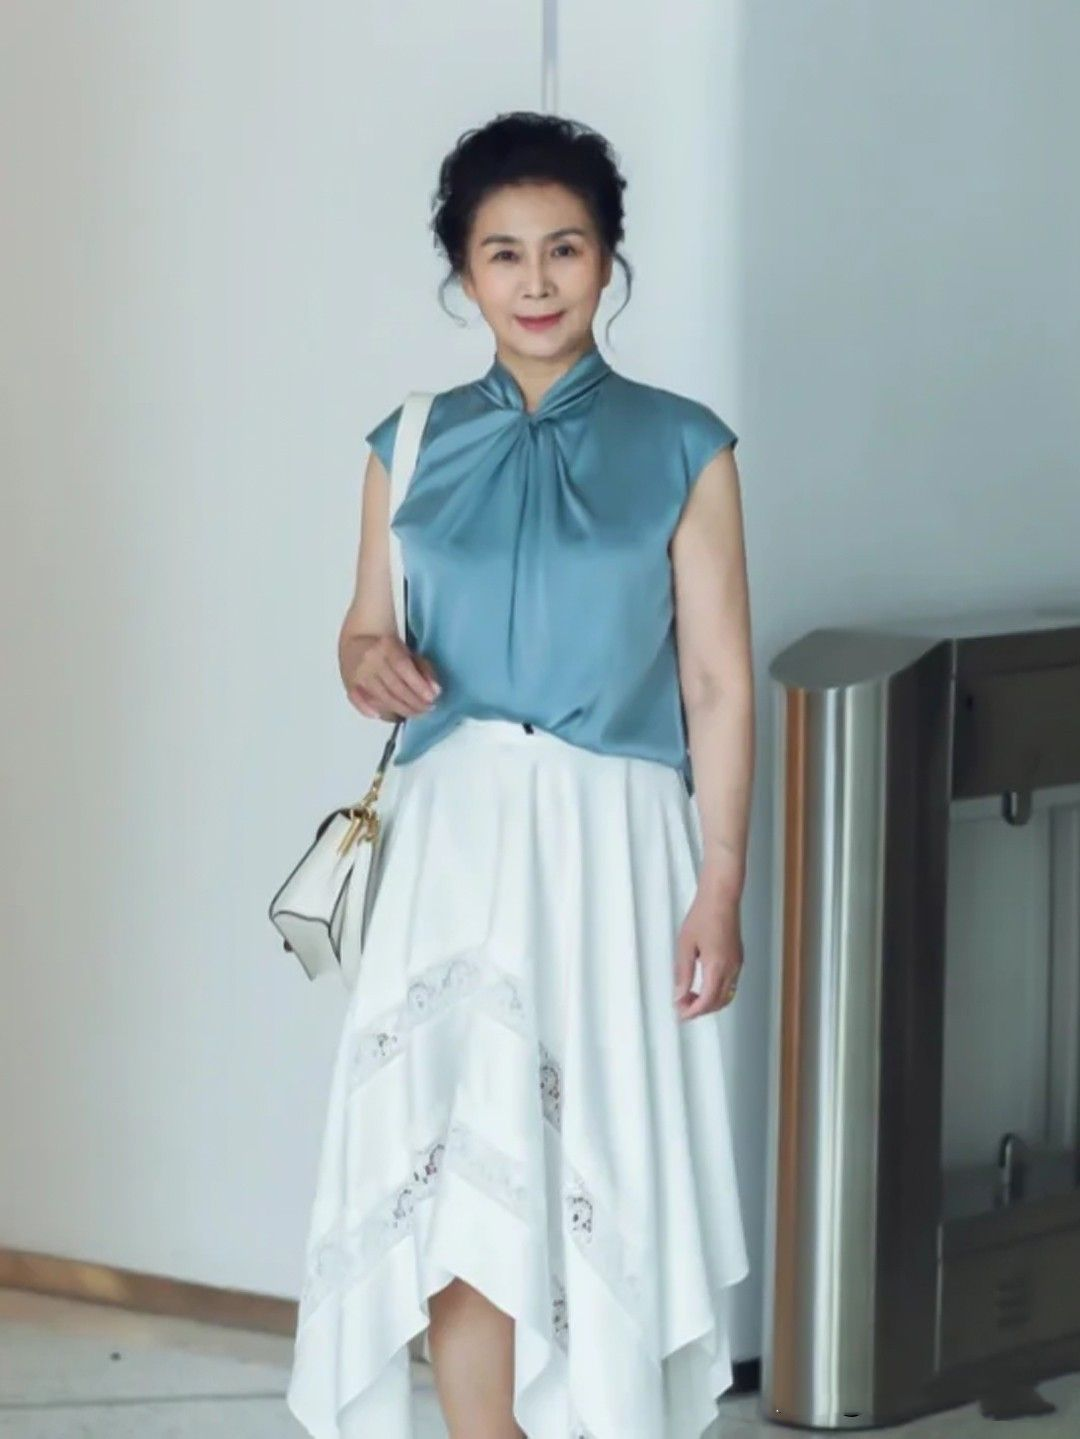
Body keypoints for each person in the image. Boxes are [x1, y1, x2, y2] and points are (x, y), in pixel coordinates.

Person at [286, 110, 754, 1439]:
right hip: (454, 837)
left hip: (616, 841)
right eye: (504, 253)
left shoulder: (687, 444)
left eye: (565, 248)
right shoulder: (407, 440)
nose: (536, 281)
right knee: (453, 1168)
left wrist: (721, 883)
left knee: (602, 1153)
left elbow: (717, 682)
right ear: (464, 270)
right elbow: (363, 630)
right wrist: (367, 659)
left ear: (608, 260)